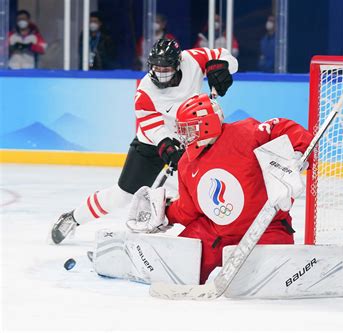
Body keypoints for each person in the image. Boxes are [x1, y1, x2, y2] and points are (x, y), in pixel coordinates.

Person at [50, 39, 238, 244]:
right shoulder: (145, 92)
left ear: (178, 64)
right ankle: (74, 217)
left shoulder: (192, 59)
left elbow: (226, 55)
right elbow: (153, 127)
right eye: (156, 69)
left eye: (166, 69)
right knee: (122, 195)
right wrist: (166, 145)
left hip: (195, 137)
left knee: (211, 183)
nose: (160, 74)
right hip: (152, 143)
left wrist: (222, 67)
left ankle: (221, 230)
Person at [126, 94, 313, 284]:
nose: (185, 136)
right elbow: (188, 210)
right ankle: (139, 262)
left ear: (207, 123)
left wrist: (299, 151)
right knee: (175, 269)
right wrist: (166, 212)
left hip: (267, 227)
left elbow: (282, 127)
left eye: (189, 129)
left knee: (271, 280)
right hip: (217, 233)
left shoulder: (245, 133)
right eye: (183, 130)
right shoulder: (186, 163)